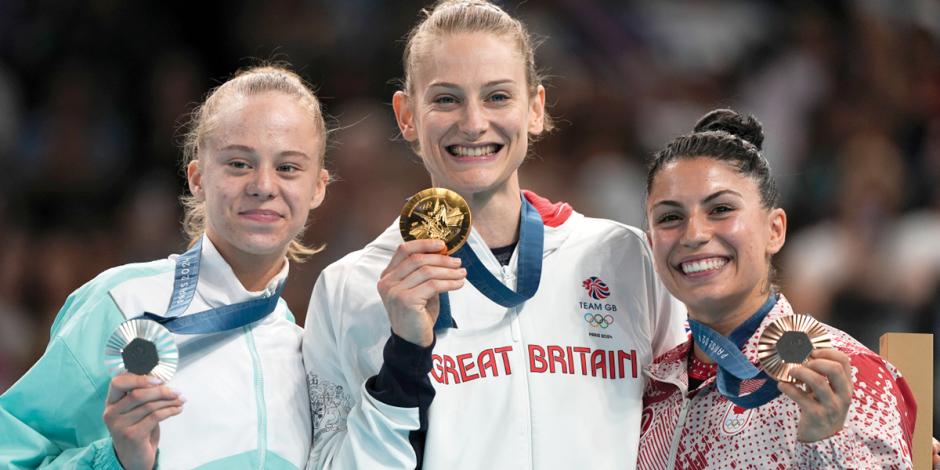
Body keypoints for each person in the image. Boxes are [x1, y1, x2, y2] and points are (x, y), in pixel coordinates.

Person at [302, 1, 686, 469]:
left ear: (536, 109)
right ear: (406, 115)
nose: (473, 123)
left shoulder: (626, 257)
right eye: (446, 99)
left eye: (498, 97)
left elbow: (685, 425)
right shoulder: (351, 288)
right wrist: (402, 359)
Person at [0, 65, 329, 469]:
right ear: (197, 178)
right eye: (239, 164)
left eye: (288, 167)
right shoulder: (121, 304)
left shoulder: (308, 351)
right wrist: (117, 460)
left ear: (318, 187)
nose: (263, 184)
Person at [637, 109, 916, 468]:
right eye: (670, 217)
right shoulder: (648, 385)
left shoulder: (846, 375)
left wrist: (827, 446)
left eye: (720, 209)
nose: (694, 235)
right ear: (651, 244)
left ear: (775, 230)